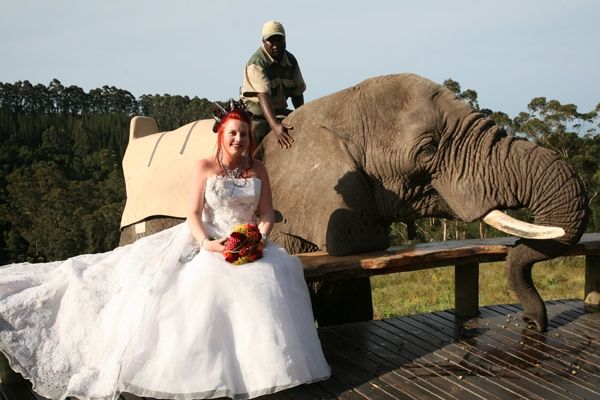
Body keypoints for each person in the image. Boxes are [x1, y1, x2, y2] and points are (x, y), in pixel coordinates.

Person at [0, 100, 330, 400]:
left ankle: (262, 368)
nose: (238, 140)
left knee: (276, 272)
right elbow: (193, 215)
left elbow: (268, 214)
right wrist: (208, 244)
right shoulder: (204, 168)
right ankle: (211, 370)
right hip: (210, 238)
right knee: (208, 280)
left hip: (248, 239)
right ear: (222, 135)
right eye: (233, 133)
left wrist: (257, 238)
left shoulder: (258, 170)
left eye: (244, 134)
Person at [241, 20, 306, 148]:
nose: (276, 45)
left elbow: (297, 93)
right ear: (263, 42)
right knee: (251, 137)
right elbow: (263, 95)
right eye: (271, 41)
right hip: (258, 114)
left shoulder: (291, 60)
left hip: (280, 111)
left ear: (285, 40)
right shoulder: (257, 63)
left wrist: (301, 116)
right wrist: (275, 126)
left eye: (279, 40)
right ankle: (243, 166)